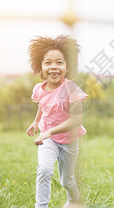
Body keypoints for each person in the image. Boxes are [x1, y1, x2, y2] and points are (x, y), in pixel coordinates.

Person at [26, 35, 87, 208]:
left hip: (70, 139)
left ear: (67, 67)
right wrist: (36, 122)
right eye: (48, 63)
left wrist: (50, 131)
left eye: (59, 62)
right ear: (40, 67)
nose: (54, 67)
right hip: (48, 138)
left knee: (67, 181)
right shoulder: (39, 89)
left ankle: (74, 200)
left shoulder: (72, 89)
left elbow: (76, 120)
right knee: (44, 170)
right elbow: (43, 106)